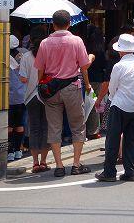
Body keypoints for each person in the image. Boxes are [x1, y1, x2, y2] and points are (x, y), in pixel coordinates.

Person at [34, 9, 93, 177]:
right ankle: (75, 164)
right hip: (72, 86)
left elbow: (40, 69)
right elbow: (84, 66)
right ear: (69, 24)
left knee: (54, 127)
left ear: (53, 25)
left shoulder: (45, 43)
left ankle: (59, 166)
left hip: (51, 89)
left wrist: (41, 86)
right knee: (78, 126)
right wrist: (87, 83)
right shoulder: (76, 41)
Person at [95, 34, 134, 183]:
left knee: (112, 139)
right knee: (131, 140)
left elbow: (112, 88)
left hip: (120, 104)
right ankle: (131, 171)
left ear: (121, 50)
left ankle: (109, 172)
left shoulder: (119, 65)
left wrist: (111, 99)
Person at [18, 26, 50, 174]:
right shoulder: (49, 55)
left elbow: (23, 79)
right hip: (47, 95)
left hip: (31, 96)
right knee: (46, 128)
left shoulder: (26, 57)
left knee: (34, 129)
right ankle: (44, 161)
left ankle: (35, 162)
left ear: (30, 40)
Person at [84, 25, 107, 140]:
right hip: (98, 80)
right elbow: (104, 65)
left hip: (87, 80)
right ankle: (94, 130)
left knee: (88, 103)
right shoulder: (100, 50)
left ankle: (90, 129)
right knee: (95, 103)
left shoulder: (86, 48)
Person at [7, 45, 27, 161]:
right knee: (20, 124)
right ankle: (18, 150)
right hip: (22, 96)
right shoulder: (23, 56)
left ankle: (10, 151)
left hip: (9, 97)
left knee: (9, 126)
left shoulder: (5, 58)